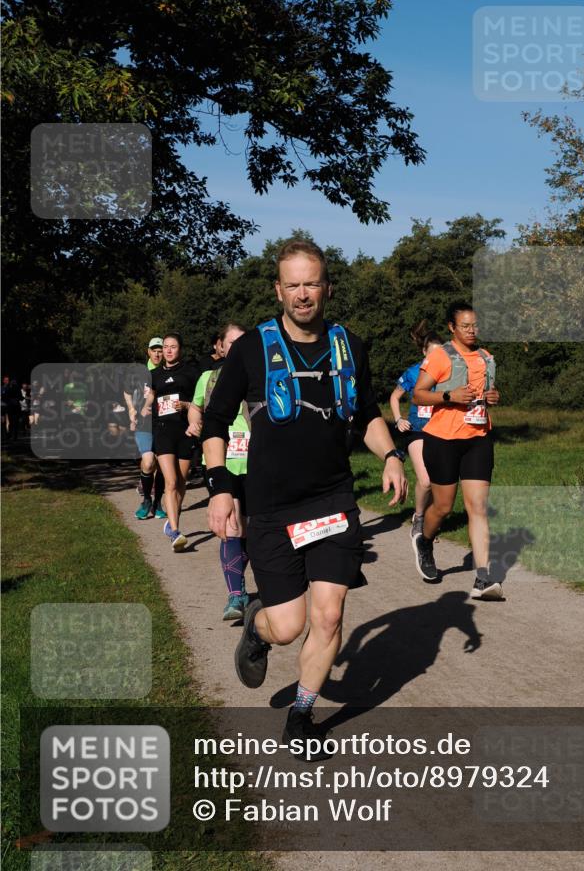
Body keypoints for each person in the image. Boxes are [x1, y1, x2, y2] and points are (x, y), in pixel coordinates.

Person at [202, 238, 407, 746]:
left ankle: (302, 715)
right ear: (278, 290)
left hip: (333, 500)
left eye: (311, 283)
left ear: (326, 287)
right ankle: (257, 624)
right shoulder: (252, 347)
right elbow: (215, 420)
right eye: (292, 284)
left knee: (330, 612)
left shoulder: (350, 347)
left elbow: (365, 414)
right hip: (271, 507)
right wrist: (220, 489)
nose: (302, 294)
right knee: (289, 625)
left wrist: (391, 455)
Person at [412, 301, 502, 599]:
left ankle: (484, 578)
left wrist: (492, 397)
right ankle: (425, 540)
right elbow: (418, 395)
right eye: (466, 326)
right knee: (444, 507)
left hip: (478, 438)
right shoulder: (441, 356)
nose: (472, 330)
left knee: (477, 507)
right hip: (442, 440)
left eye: (475, 325)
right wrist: (450, 395)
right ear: (452, 327)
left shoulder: (487, 357)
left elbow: (484, 395)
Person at [188, 323, 252, 622]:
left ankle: (253, 582)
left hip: (258, 463)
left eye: (243, 341)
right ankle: (236, 595)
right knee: (232, 527)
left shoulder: (260, 375)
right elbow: (196, 406)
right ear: (221, 347)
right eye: (232, 342)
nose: (237, 347)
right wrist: (193, 422)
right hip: (224, 462)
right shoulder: (208, 378)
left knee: (253, 530)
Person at [141, 333, 200, 549]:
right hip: (163, 430)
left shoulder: (191, 372)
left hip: (185, 431)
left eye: (173, 347)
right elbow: (152, 395)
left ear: (180, 349)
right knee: (171, 482)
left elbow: (199, 399)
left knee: (182, 483)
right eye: (165, 347)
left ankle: (170, 523)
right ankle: (175, 532)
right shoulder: (153, 374)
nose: (168, 350)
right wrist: (144, 407)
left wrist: (186, 406)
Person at [389, 323, 442, 540]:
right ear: (424, 352)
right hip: (417, 431)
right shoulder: (413, 372)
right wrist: (398, 419)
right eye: (432, 354)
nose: (436, 359)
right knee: (427, 480)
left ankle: (430, 521)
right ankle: (419, 518)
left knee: (440, 482)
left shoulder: (448, 375)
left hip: (441, 431)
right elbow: (394, 397)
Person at [125, 338, 166, 520]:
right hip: (144, 424)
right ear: (148, 352)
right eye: (154, 350)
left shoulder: (168, 371)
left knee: (162, 466)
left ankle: (157, 503)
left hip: (165, 424)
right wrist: (131, 409)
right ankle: (146, 500)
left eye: (160, 350)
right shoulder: (139, 372)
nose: (157, 354)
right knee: (148, 462)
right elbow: (126, 391)